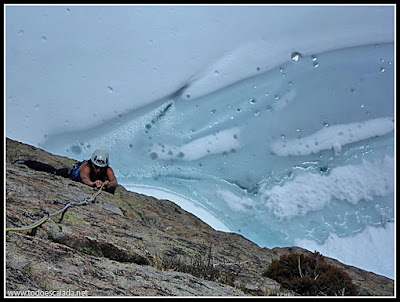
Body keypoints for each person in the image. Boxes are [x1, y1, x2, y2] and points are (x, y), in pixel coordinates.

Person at [15, 149, 118, 194]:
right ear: (92, 163)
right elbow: (84, 178)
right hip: (69, 174)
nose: (98, 170)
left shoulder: (108, 170)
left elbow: (114, 182)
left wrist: (108, 184)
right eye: (96, 166)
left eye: (101, 167)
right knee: (53, 172)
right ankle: (27, 163)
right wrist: (93, 184)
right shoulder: (85, 167)